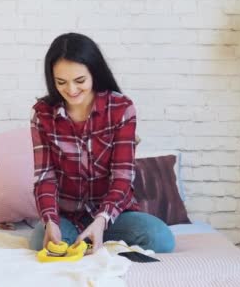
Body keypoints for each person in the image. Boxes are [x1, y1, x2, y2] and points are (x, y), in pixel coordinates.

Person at [29, 32, 175, 255]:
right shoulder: (42, 115)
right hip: (67, 214)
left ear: (94, 74)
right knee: (40, 238)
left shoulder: (121, 108)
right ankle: (89, 242)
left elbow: (122, 178)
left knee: (161, 238)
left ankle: (95, 237)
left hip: (113, 215)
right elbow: (44, 177)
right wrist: (50, 221)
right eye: (61, 82)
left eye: (80, 81)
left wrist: (100, 220)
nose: (71, 90)